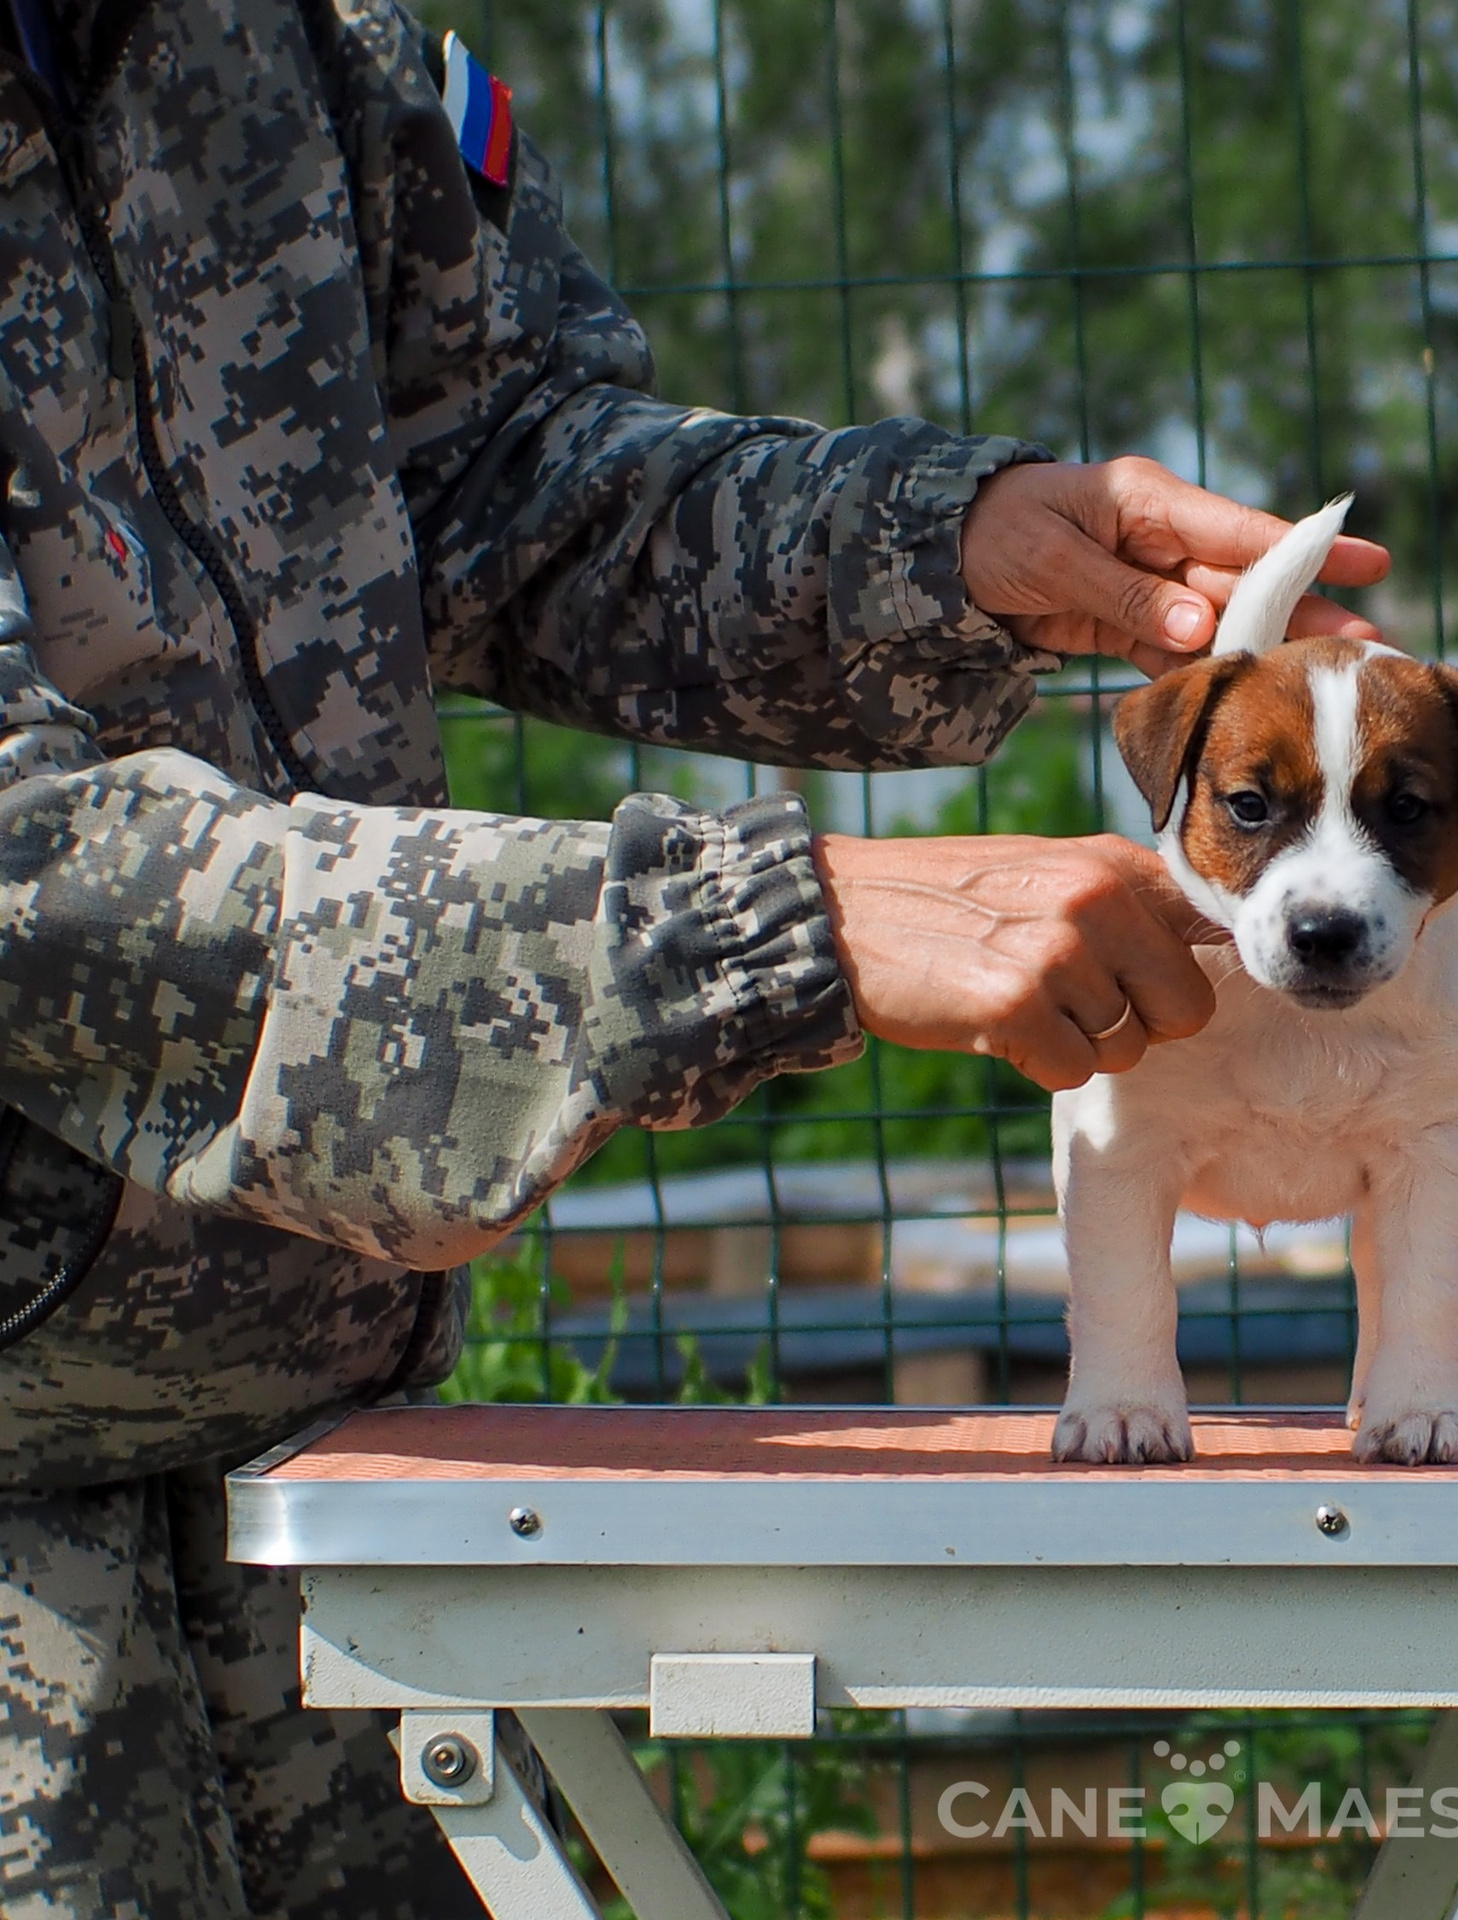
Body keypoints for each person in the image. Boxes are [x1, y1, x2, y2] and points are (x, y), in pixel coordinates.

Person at [0, 0, 1388, 1912]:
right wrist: (764, 929)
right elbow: (24, 862)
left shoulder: (292, 37)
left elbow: (486, 475)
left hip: (321, 1470)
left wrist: (940, 547)